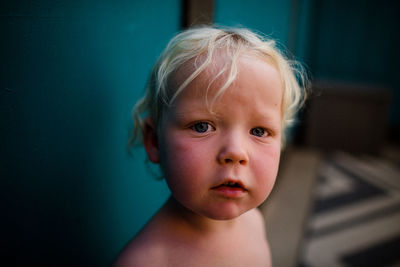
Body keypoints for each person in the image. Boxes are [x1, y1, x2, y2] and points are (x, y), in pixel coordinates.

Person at [114, 26, 307, 267]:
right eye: (202, 126)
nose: (236, 152)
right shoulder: (145, 262)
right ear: (154, 141)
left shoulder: (254, 220)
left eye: (259, 131)